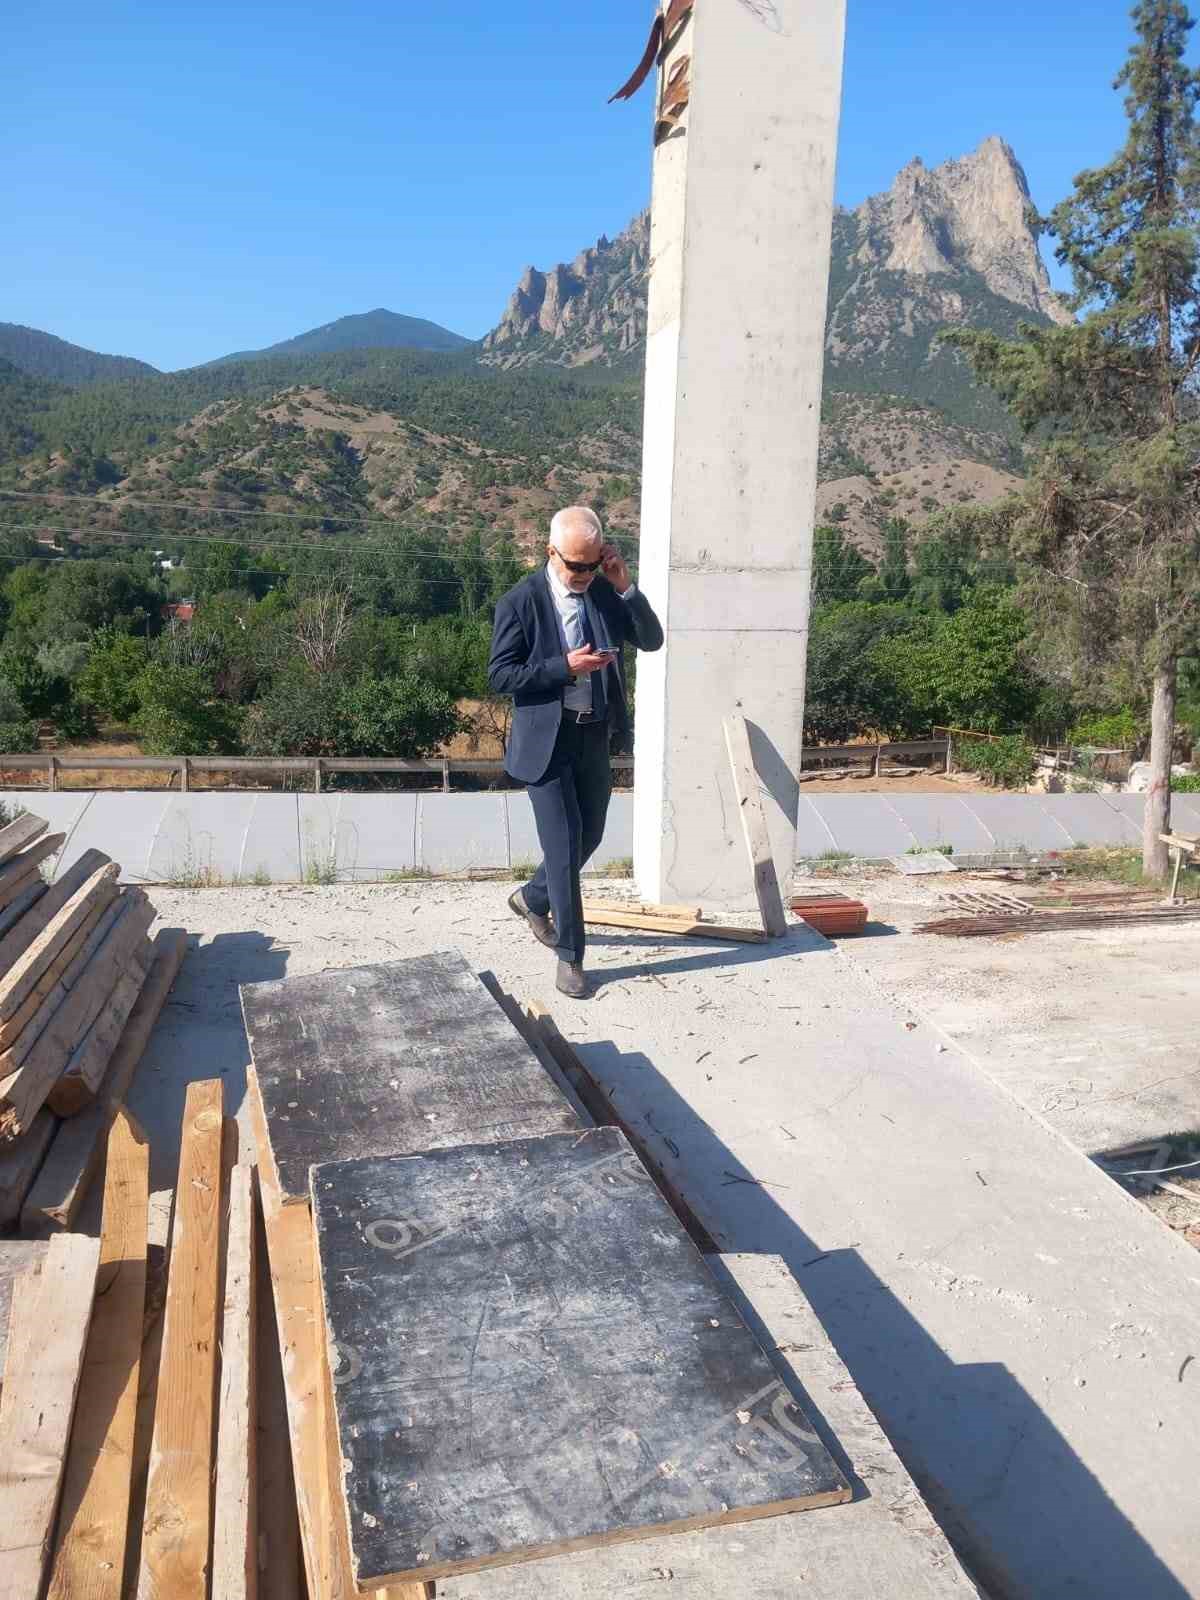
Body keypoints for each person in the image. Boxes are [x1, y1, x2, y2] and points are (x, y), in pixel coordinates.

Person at [489, 506, 664, 997]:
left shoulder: (606, 591)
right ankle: (571, 956)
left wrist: (625, 585)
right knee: (564, 850)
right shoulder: (520, 602)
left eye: (593, 564)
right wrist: (563, 667)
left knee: (589, 836)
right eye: (576, 566)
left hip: (593, 735)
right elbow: (501, 675)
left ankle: (531, 897)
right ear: (551, 553)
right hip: (546, 743)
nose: (585, 575)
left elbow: (651, 640)